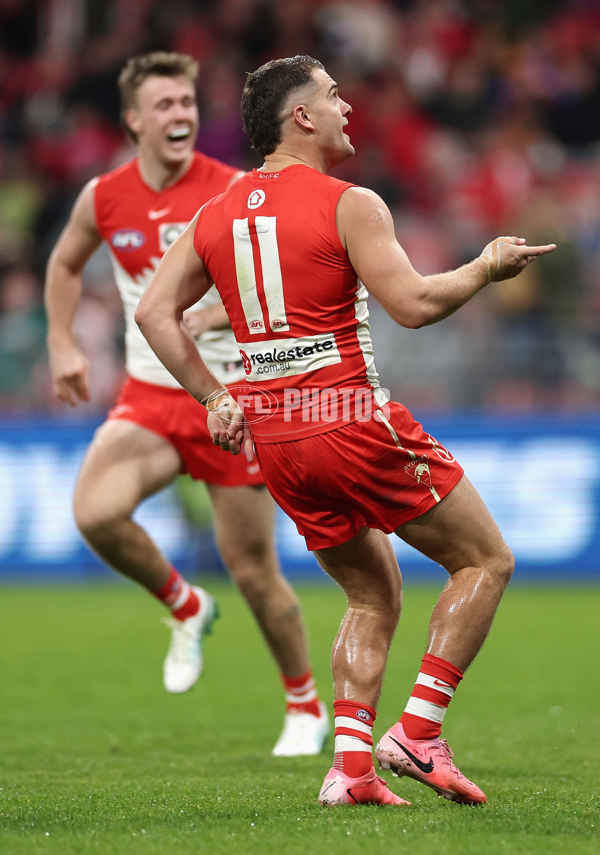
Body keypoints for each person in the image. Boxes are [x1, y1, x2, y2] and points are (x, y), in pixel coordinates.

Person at [135, 55, 556, 806]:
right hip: (348, 417)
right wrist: (486, 267)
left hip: (279, 438)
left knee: (371, 594)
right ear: (301, 117)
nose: (346, 108)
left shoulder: (216, 213)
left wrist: (212, 396)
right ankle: (419, 733)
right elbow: (416, 305)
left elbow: (151, 313)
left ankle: (351, 768)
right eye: (332, 96)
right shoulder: (349, 202)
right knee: (486, 561)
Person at [44, 51, 329, 758]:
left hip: (227, 401)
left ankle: (304, 704)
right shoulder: (104, 197)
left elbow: (284, 285)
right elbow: (63, 264)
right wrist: (61, 344)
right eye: (164, 105)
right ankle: (185, 605)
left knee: (255, 572)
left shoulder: (234, 191)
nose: (180, 115)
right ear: (135, 120)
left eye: (187, 103)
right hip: (149, 396)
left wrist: (217, 314)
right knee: (94, 513)